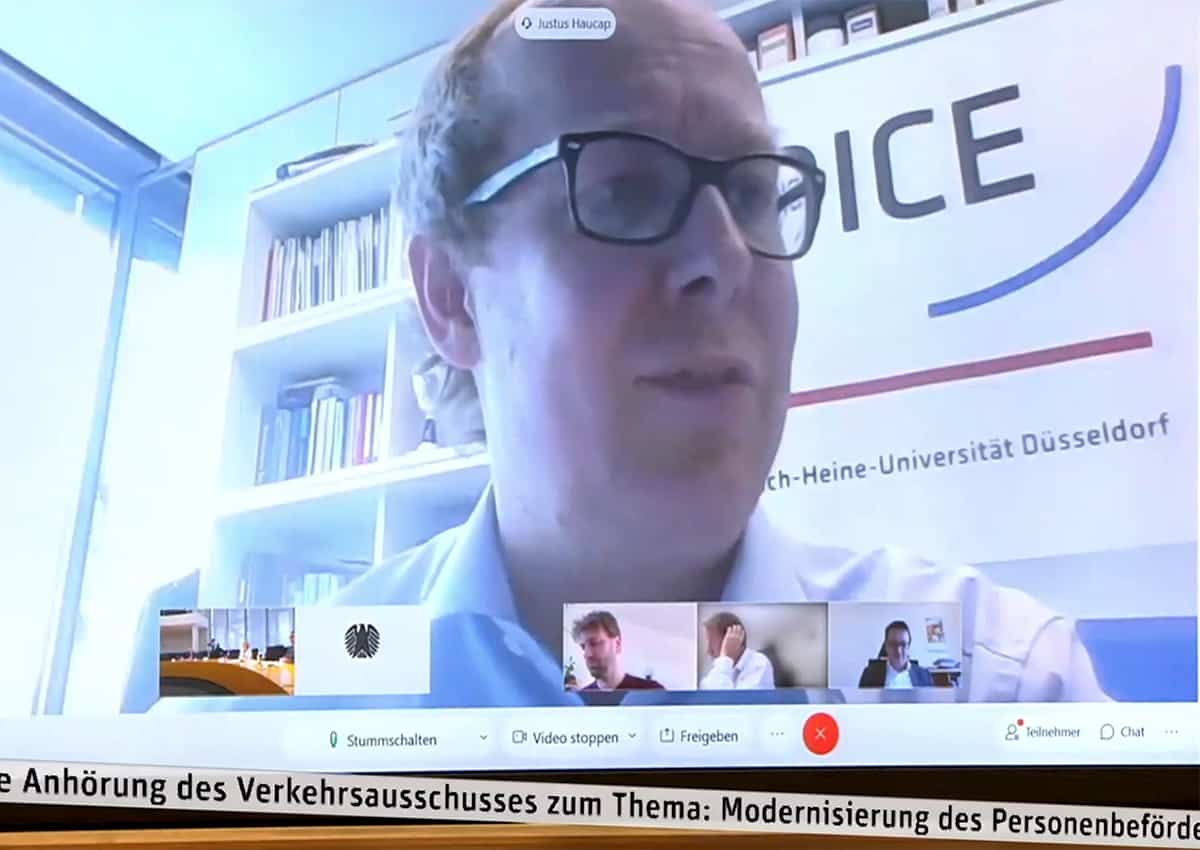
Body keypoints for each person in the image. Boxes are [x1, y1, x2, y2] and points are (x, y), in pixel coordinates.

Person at [133, 0, 1109, 713]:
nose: (726, 257)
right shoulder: (260, 691)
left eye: (754, 192)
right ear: (452, 295)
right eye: (627, 190)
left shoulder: (983, 680)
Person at [571, 611, 663, 691]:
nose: (587, 654)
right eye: (583, 647)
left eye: (595, 643)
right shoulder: (581, 699)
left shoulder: (653, 692)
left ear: (617, 644)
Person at [699, 612, 775, 690]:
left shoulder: (759, 663)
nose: (708, 651)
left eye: (712, 645)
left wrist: (726, 658)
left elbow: (723, 696)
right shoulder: (718, 666)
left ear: (733, 641)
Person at [858, 621, 934, 689]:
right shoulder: (869, 674)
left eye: (903, 644)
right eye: (893, 644)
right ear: (886, 646)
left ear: (908, 646)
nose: (898, 651)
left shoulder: (924, 676)